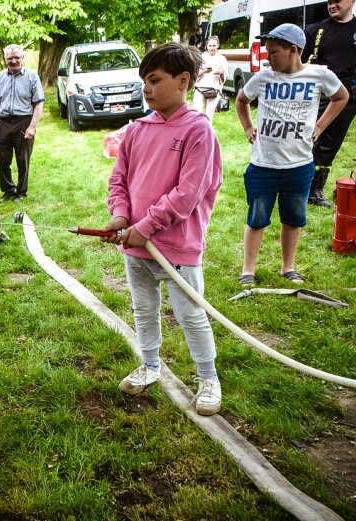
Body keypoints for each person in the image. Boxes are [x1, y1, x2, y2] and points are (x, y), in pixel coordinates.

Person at [103, 43, 223, 416]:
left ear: (183, 80)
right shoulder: (137, 129)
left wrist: (147, 225)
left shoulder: (198, 131)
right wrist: (122, 216)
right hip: (136, 244)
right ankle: (150, 365)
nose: (147, 88)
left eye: (155, 80)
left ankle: (208, 378)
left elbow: (188, 193)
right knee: (143, 309)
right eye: (144, 81)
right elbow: (118, 179)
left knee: (190, 314)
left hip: (176, 245)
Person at [236, 24, 348, 286]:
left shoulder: (319, 75)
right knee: (257, 218)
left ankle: (288, 267)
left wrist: (320, 126)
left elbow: (341, 96)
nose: (268, 57)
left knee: (293, 218)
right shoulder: (264, 78)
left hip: (299, 165)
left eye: (273, 52)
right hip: (264, 164)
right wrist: (248, 127)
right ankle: (248, 270)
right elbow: (241, 100)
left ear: (293, 50)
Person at [302, 0, 356, 207]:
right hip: (318, 93)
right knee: (308, 138)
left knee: (331, 143)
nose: (332, 5)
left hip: (348, 93)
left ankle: (315, 191)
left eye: (337, 1)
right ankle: (298, 187)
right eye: (330, 2)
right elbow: (300, 64)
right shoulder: (315, 30)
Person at [0, 44, 45, 203]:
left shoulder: (32, 77)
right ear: (5, 59)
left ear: (22, 58)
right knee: (2, 159)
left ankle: (21, 192)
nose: (13, 61)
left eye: (16, 58)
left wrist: (32, 126)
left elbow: (39, 103)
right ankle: (8, 190)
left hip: (23, 122)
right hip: (3, 123)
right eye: (9, 58)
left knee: (23, 159)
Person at [192, 36, 228, 122]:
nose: (212, 48)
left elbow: (224, 77)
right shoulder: (201, 57)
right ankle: (196, 134)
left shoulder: (222, 59)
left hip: (214, 90)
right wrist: (204, 71)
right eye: (210, 46)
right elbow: (194, 75)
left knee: (208, 117)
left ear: (218, 45)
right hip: (200, 89)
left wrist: (221, 73)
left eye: (214, 46)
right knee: (196, 115)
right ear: (207, 46)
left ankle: (207, 134)